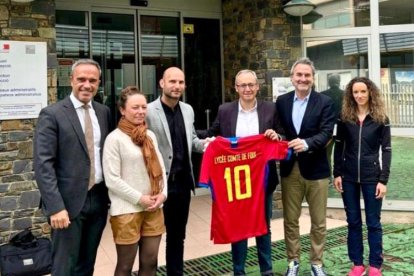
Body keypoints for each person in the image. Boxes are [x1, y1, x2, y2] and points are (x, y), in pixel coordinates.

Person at [197, 69, 283, 275]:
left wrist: (276, 135)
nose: (247, 89)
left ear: (257, 87)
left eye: (251, 85)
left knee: (263, 226)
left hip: (262, 181)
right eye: (243, 85)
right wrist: (192, 135)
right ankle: (239, 271)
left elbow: (283, 134)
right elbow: (212, 134)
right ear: (236, 88)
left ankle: (267, 270)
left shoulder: (270, 109)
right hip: (235, 183)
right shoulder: (225, 110)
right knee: (238, 227)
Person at [34, 59, 112, 275]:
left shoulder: (103, 112)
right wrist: (55, 207)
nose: (87, 85)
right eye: (81, 79)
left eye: (92, 80)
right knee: (64, 266)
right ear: (71, 80)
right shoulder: (53, 114)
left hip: (98, 199)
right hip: (66, 204)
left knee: (87, 264)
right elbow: (43, 164)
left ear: (98, 83)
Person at [275, 57, 335, 276]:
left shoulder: (325, 102)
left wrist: (307, 143)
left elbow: (327, 132)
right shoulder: (281, 101)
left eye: (307, 75)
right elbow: (280, 130)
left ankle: (316, 263)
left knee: (318, 221)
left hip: (317, 170)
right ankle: (293, 261)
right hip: (290, 169)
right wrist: (277, 135)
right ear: (292, 78)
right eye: (299, 75)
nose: (303, 79)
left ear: (313, 77)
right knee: (291, 220)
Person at [145, 67, 205, 276]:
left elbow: (193, 140)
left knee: (177, 236)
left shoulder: (188, 109)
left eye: (180, 82)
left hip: (182, 184)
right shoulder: (148, 110)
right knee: (151, 237)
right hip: (157, 185)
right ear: (162, 83)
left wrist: (210, 145)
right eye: (172, 81)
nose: (177, 86)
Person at [102, 86, 168, 276]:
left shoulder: (150, 136)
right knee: (125, 267)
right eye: (135, 107)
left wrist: (162, 195)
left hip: (154, 208)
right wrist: (140, 198)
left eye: (143, 107)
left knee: (150, 263)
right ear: (123, 110)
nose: (141, 112)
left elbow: (161, 169)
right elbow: (112, 179)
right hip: (126, 210)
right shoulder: (114, 139)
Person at [333, 77, 391, 276]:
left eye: (363, 91)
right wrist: (337, 173)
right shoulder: (344, 117)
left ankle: (375, 265)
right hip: (348, 177)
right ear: (351, 94)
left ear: (370, 93)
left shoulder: (381, 118)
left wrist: (383, 180)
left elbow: (387, 150)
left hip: (371, 177)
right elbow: (339, 146)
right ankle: (357, 263)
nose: (359, 95)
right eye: (355, 92)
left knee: (373, 223)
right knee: (354, 222)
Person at [321, 74, 344, 183]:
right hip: (342, 128)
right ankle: (341, 175)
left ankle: (328, 177)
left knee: (327, 154)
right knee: (343, 152)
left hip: (327, 129)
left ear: (329, 82)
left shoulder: (323, 95)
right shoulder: (345, 95)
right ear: (339, 81)